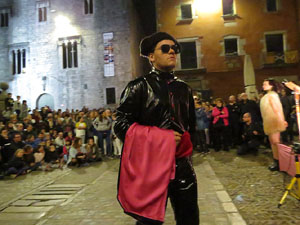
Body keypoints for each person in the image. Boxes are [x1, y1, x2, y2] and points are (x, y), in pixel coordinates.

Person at [114, 32, 199, 225]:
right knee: (148, 221)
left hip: (182, 167)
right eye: (165, 48)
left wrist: (186, 143)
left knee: (190, 219)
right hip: (150, 167)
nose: (172, 52)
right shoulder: (138, 87)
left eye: (174, 49)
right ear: (151, 56)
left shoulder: (184, 89)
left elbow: (191, 126)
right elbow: (120, 125)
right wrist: (162, 138)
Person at [260, 78, 287, 171]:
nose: (263, 85)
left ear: (271, 85)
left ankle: (280, 162)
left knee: (276, 142)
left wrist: (282, 120)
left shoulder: (272, 96)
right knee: (273, 142)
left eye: (265, 84)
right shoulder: (268, 96)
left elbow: (277, 109)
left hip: (274, 121)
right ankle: (277, 161)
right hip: (269, 121)